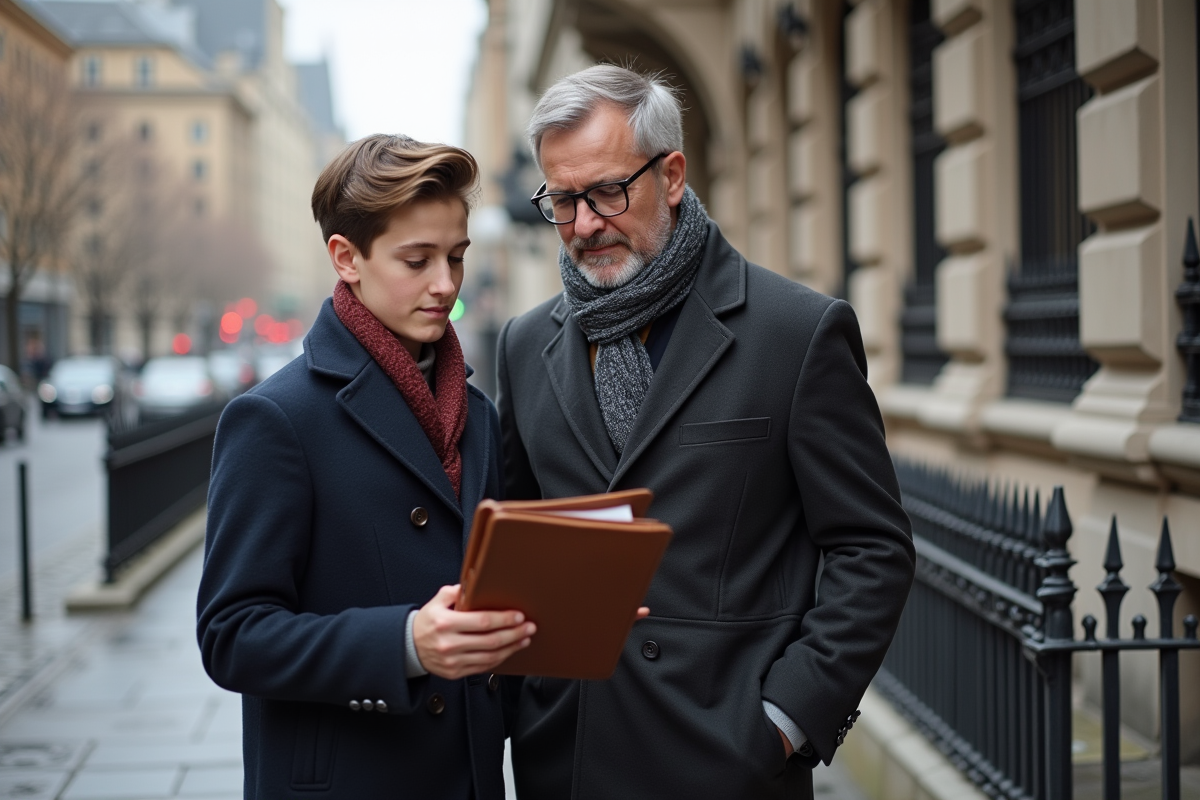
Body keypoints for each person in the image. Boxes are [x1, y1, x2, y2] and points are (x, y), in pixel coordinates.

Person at [497, 65, 917, 799]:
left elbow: (871, 548)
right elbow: (519, 545)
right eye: (562, 201)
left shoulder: (797, 332)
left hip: (730, 766)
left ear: (674, 174)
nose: (586, 224)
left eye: (607, 191)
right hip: (567, 761)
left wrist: (786, 720)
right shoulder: (524, 345)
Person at [196, 134, 535, 800]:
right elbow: (231, 635)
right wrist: (405, 643)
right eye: (418, 260)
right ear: (346, 258)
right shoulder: (276, 418)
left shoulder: (477, 412)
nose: (446, 285)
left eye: (457, 257)